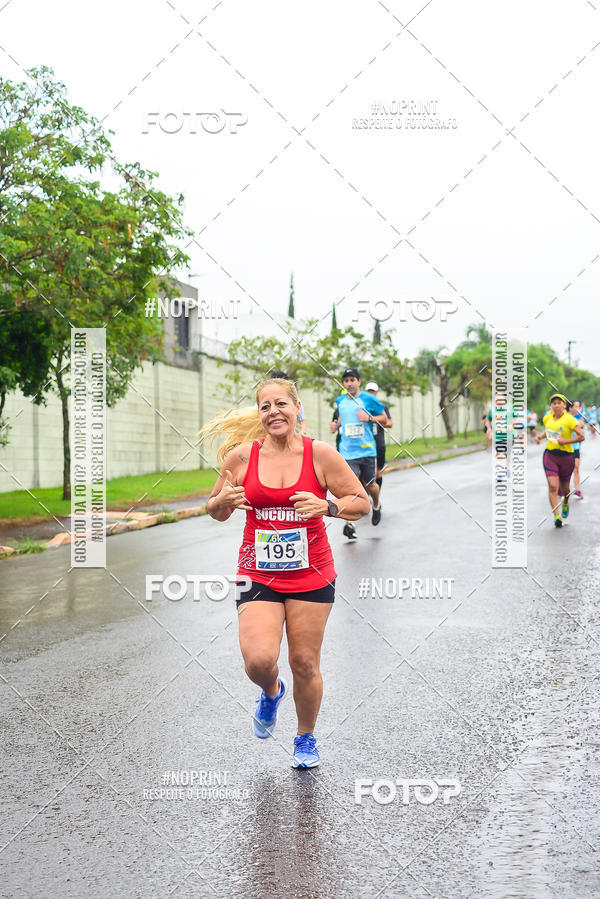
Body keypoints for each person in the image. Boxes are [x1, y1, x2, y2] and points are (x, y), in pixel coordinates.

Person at [204, 377, 370, 768]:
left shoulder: (321, 455)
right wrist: (221, 502)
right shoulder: (242, 459)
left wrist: (326, 507)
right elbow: (215, 508)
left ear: (297, 409)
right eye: (265, 406)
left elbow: (360, 503)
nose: (273, 411)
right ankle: (271, 690)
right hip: (258, 572)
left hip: (311, 573)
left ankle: (305, 737)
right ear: (259, 414)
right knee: (259, 660)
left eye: (281, 404)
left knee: (304, 662)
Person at [329, 368, 387, 539]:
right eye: (346, 381)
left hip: (367, 450)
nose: (349, 383)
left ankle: (376, 505)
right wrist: (335, 426)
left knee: (371, 486)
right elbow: (340, 420)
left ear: (359, 381)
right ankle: (350, 524)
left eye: (352, 380)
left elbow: (384, 418)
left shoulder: (369, 399)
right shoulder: (340, 401)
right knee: (351, 489)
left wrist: (369, 418)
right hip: (348, 453)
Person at [536, 393, 585, 527]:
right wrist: (540, 437)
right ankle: (556, 516)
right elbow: (548, 431)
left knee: (565, 490)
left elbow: (581, 436)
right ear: (551, 405)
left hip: (566, 457)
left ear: (564, 405)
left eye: (559, 402)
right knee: (552, 486)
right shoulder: (547, 418)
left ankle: (565, 502)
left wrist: (566, 441)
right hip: (550, 455)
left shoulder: (570, 420)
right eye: (554, 403)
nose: (556, 405)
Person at [364, 381, 393, 491]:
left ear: (377, 392)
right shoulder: (361, 405)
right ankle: (367, 497)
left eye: (373, 391)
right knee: (363, 472)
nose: (371, 393)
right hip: (364, 442)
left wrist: (375, 420)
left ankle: (377, 495)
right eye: (369, 391)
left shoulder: (382, 406)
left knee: (377, 471)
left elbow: (390, 423)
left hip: (378, 442)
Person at [568, 400, 584, 499]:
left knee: (576, 467)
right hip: (566, 447)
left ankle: (577, 490)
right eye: (576, 407)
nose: (578, 409)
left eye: (578, 407)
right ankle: (562, 488)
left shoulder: (579, 417)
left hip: (576, 447)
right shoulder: (565, 417)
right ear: (570, 408)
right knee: (566, 470)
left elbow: (581, 427)